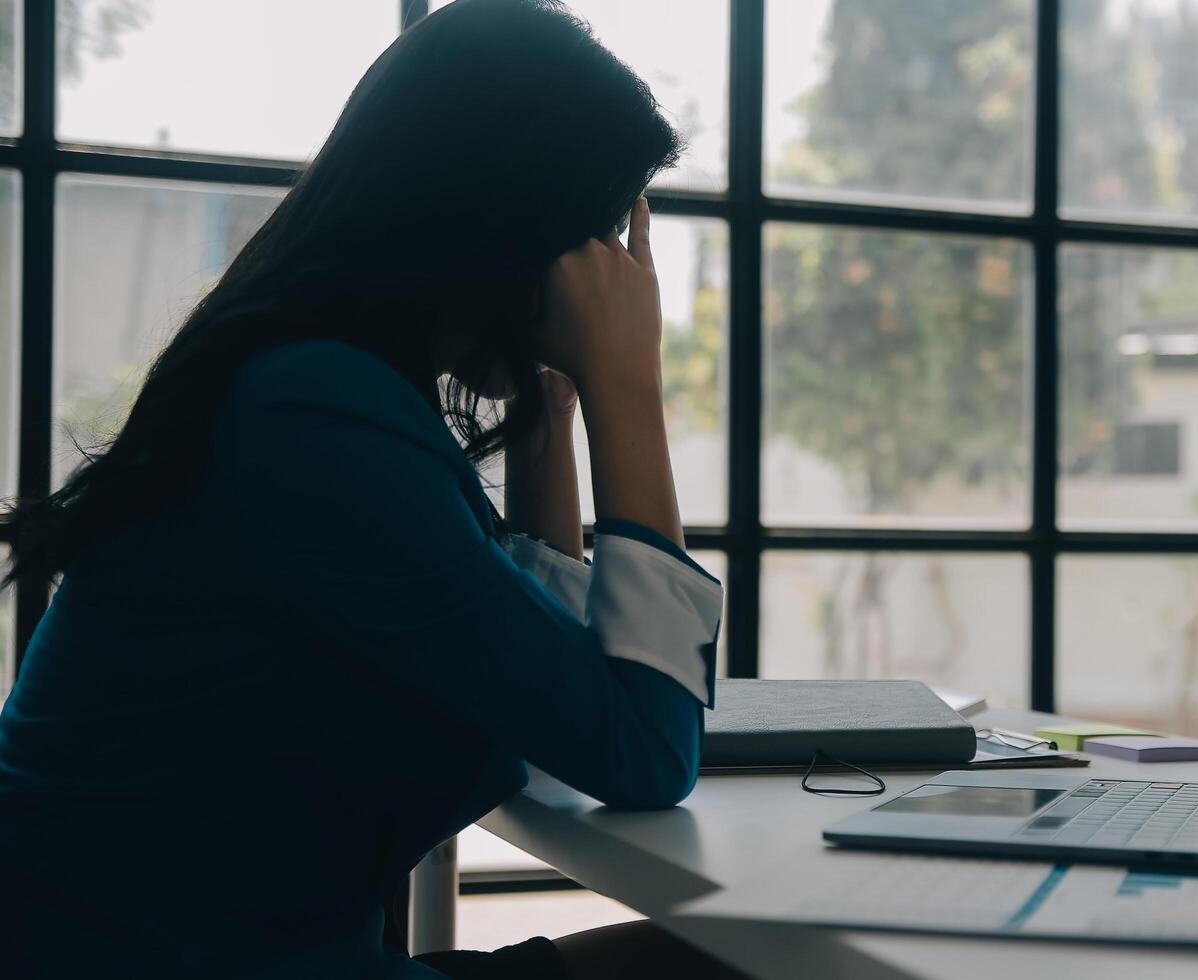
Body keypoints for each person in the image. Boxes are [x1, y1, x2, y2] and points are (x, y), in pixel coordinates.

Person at [0, 1, 744, 977]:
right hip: (160, 958)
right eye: (594, 233)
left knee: (726, 956)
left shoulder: (310, 388)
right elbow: (641, 748)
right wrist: (630, 393)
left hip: (196, 948)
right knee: (741, 961)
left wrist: (553, 407)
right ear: (512, 228)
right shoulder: (313, 420)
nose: (604, 275)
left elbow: (557, 683)